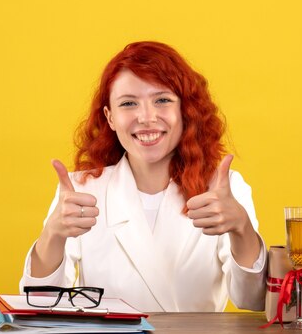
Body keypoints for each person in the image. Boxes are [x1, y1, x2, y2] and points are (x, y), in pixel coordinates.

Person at [19, 41, 267, 312]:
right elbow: (40, 304)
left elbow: (252, 300)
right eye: (128, 103)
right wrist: (52, 234)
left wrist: (241, 228)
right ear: (110, 118)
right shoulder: (83, 190)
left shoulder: (225, 188)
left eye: (162, 100)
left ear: (185, 110)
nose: (146, 117)